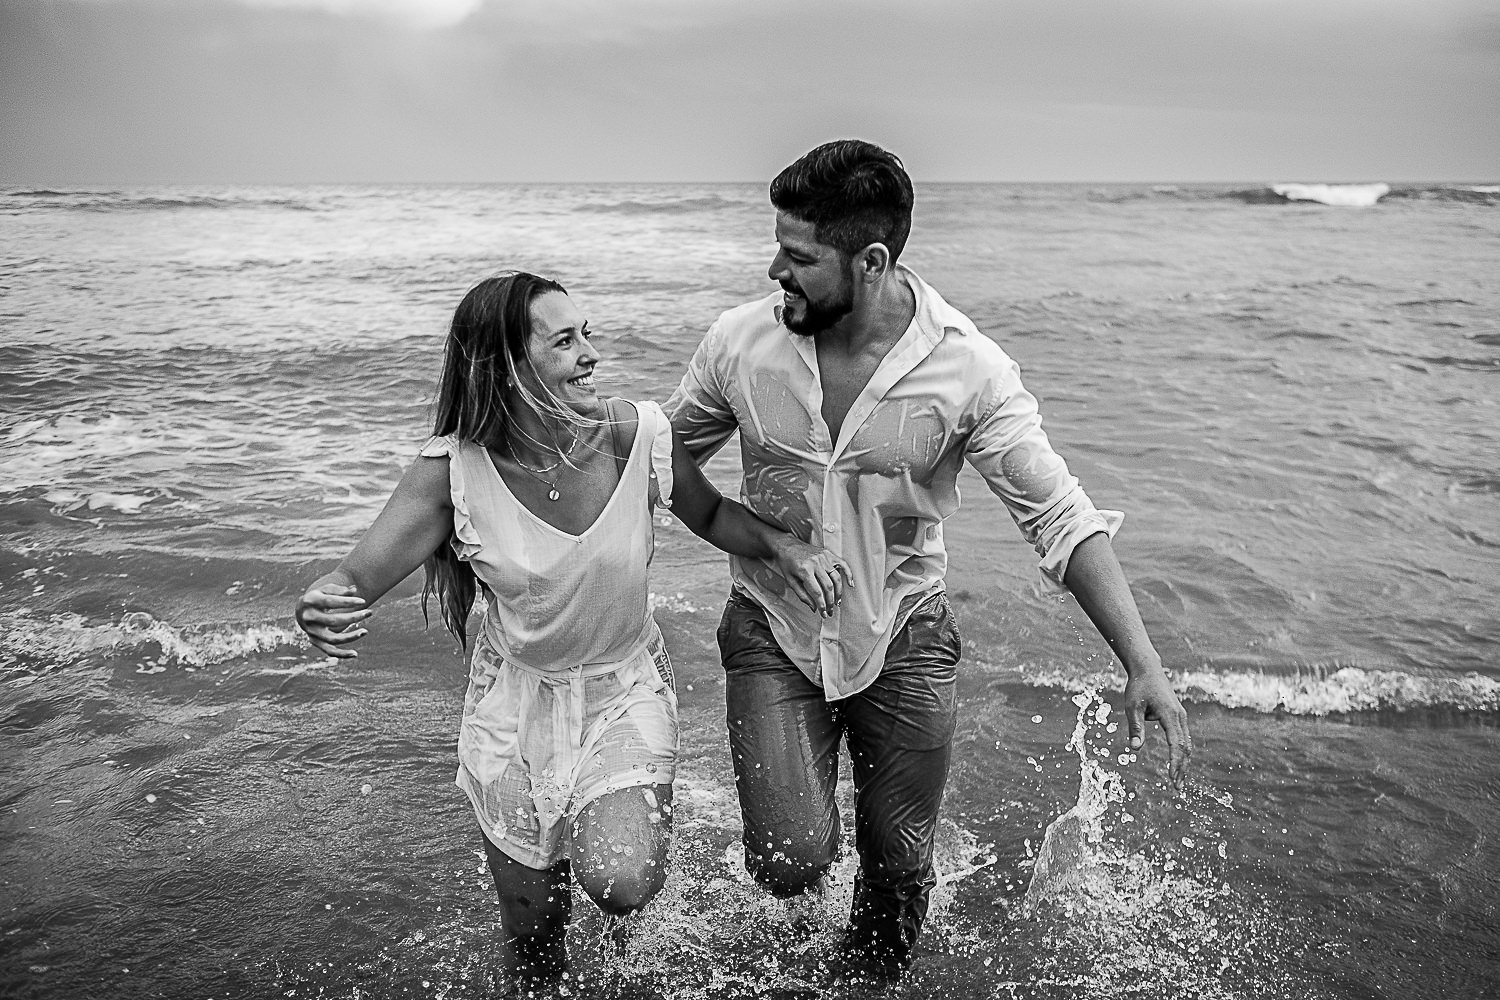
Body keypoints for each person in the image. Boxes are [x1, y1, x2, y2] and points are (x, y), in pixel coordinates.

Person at [665, 139, 1193, 980]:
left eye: (798, 256)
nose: (775, 269)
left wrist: (1143, 663)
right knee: (787, 859)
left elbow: (1060, 516)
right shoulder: (739, 343)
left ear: (870, 260)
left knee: (899, 865)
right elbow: (662, 460)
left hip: (906, 633)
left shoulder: (968, 370)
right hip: (773, 627)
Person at [294, 272, 849, 988]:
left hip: (622, 687)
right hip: (514, 710)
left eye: (587, 333)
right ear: (506, 368)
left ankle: (631, 889)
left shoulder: (635, 435)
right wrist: (323, 602)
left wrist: (786, 547)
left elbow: (711, 514)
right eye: (565, 342)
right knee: (534, 938)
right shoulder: (452, 473)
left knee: (621, 879)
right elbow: (353, 581)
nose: (591, 354)